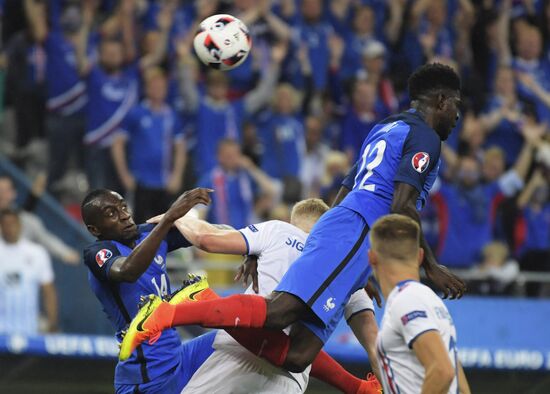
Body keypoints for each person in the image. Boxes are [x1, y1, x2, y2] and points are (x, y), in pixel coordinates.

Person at [120, 63, 466, 374]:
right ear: (440, 101)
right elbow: (402, 205)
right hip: (358, 226)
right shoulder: (426, 137)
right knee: (279, 314)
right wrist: (430, 265)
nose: (457, 116)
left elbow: (346, 190)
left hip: (350, 230)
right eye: (456, 106)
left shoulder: (386, 126)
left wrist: (355, 263)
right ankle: (189, 307)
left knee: (299, 357)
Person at [145, 198, 381, 393]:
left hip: (236, 356)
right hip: (290, 379)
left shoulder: (279, 230)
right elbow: (374, 347)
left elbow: (208, 238)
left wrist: (176, 218)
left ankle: (186, 304)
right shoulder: (348, 269)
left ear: (293, 222)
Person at [81, 187, 214, 393]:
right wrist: (168, 218)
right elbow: (128, 271)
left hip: (179, 358)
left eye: (123, 207)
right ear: (94, 229)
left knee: (237, 340)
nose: (125, 215)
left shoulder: (149, 233)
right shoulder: (97, 253)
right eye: (111, 214)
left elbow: (210, 234)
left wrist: (249, 249)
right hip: (146, 377)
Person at [369, 214, 471, 394]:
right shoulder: (429, 299)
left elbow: (442, 371)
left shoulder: (407, 300)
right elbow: (457, 378)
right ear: (420, 256)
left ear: (372, 258)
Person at [111, 67, 186, 224]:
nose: (158, 90)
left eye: (162, 86)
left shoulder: (171, 116)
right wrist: (124, 174)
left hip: (164, 183)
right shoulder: (136, 113)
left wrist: (177, 175)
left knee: (163, 229)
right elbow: (117, 144)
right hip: (140, 182)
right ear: (147, 88)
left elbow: (180, 147)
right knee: (137, 227)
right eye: (154, 86)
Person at [198, 139, 279, 230]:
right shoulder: (209, 179)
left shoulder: (246, 177)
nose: (233, 159)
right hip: (220, 234)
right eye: (229, 156)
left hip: (248, 232)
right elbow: (201, 213)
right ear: (219, 157)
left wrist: (251, 167)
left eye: (236, 155)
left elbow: (272, 191)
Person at [0, 208, 58, 334]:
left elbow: (48, 291)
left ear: (20, 225)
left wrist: (52, 323)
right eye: (5, 224)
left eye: (12, 224)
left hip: (29, 332)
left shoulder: (37, 253)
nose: (9, 228)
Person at [0, 175, 79, 264]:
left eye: (5, 191)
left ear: (13, 193)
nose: (1, 195)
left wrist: (65, 252)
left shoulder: (26, 219)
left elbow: (45, 238)